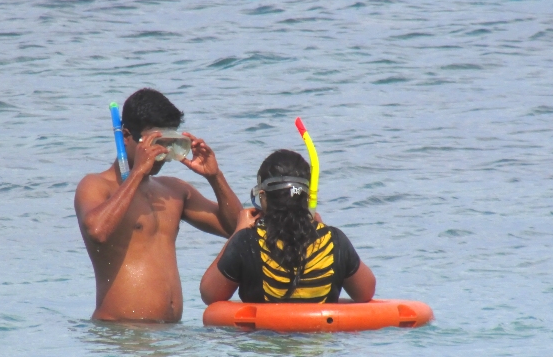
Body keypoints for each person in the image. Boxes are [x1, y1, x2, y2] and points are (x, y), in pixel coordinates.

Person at [75, 88, 242, 322]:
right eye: (154, 143)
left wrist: (215, 177)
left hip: (171, 338)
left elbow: (238, 229)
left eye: (168, 143)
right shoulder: (96, 186)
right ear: (126, 136)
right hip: (121, 336)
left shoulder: (174, 191)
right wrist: (137, 173)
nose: (161, 154)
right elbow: (97, 231)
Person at [200, 149, 376, 305]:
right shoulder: (334, 240)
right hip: (318, 340)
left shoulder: (247, 242)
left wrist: (238, 232)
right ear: (307, 198)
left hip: (262, 339)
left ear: (263, 197)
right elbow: (366, 292)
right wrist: (321, 228)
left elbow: (209, 294)